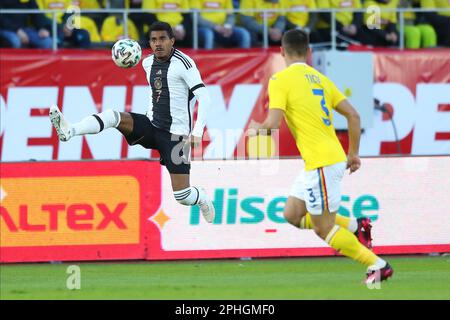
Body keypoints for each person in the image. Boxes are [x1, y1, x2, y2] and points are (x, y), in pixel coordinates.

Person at [249, 29, 394, 284]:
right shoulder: (320, 79)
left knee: (323, 228)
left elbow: (272, 123)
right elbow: (354, 116)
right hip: (324, 160)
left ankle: (378, 265)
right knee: (292, 214)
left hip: (322, 163)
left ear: (281, 51)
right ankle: (355, 226)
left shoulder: (280, 79)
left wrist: (255, 129)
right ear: (308, 52)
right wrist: (353, 154)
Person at [49, 21, 215, 223]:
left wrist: (197, 131)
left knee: (182, 196)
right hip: (151, 126)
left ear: (172, 40)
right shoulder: (147, 62)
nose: (158, 44)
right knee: (113, 116)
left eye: (162, 39)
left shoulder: (185, 64)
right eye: (153, 40)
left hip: (176, 136)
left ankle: (202, 197)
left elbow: (204, 97)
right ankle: (70, 130)